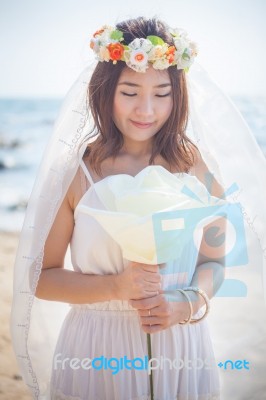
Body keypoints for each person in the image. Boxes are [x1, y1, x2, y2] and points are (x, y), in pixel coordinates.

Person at [10, 16, 266, 400]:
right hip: (96, 350)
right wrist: (115, 286)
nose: (146, 109)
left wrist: (188, 303)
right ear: (104, 91)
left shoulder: (196, 165)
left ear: (178, 94)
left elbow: (216, 259)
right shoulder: (76, 172)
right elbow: (40, 278)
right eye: (129, 92)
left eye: (162, 93)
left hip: (181, 344)